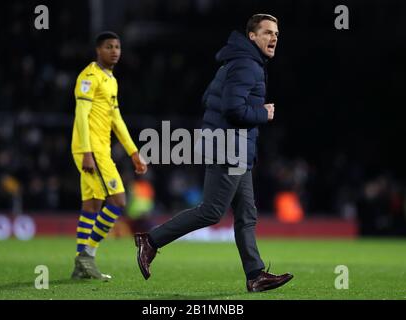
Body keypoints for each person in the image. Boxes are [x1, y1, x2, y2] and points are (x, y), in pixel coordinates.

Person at [135, 14, 293, 292]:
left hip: (233, 148)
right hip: (229, 148)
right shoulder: (247, 65)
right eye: (267, 32)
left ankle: (255, 275)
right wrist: (262, 113)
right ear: (252, 37)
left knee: (247, 215)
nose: (274, 38)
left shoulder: (235, 62)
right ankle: (151, 241)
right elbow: (234, 109)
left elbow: (208, 98)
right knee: (211, 212)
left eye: (277, 34)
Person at [71, 31, 147, 280]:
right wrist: (87, 152)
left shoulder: (111, 80)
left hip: (100, 149)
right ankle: (87, 255)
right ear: (98, 50)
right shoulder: (89, 77)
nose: (114, 51)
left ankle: (81, 266)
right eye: (109, 47)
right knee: (118, 201)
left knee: (91, 205)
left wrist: (133, 152)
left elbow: (116, 120)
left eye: (117, 47)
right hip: (91, 150)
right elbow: (81, 116)